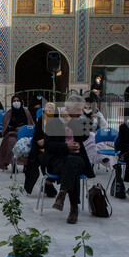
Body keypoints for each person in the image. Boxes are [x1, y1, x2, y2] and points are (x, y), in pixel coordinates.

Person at [45, 95, 95, 224]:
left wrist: (70, 121)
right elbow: (48, 146)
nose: (80, 112)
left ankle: (62, 194)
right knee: (73, 169)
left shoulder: (80, 121)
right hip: (59, 159)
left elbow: (84, 136)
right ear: (67, 108)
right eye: (77, 109)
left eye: (81, 110)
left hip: (79, 158)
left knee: (73, 162)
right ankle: (74, 208)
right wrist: (66, 147)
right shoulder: (53, 123)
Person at [24, 102, 56, 196]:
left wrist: (46, 141)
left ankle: (49, 184)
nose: (48, 112)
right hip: (39, 148)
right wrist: (41, 142)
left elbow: (58, 138)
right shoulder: (41, 120)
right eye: (46, 110)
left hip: (53, 149)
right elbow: (36, 135)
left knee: (50, 161)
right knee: (35, 161)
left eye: (50, 110)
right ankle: (30, 187)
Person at [0, 95, 34, 170]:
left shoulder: (26, 112)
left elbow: (31, 124)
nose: (16, 102)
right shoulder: (9, 113)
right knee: (11, 142)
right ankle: (13, 163)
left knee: (27, 144)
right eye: (14, 101)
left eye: (18, 101)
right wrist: (15, 128)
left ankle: (26, 164)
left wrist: (22, 129)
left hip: (25, 135)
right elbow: (5, 127)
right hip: (12, 134)